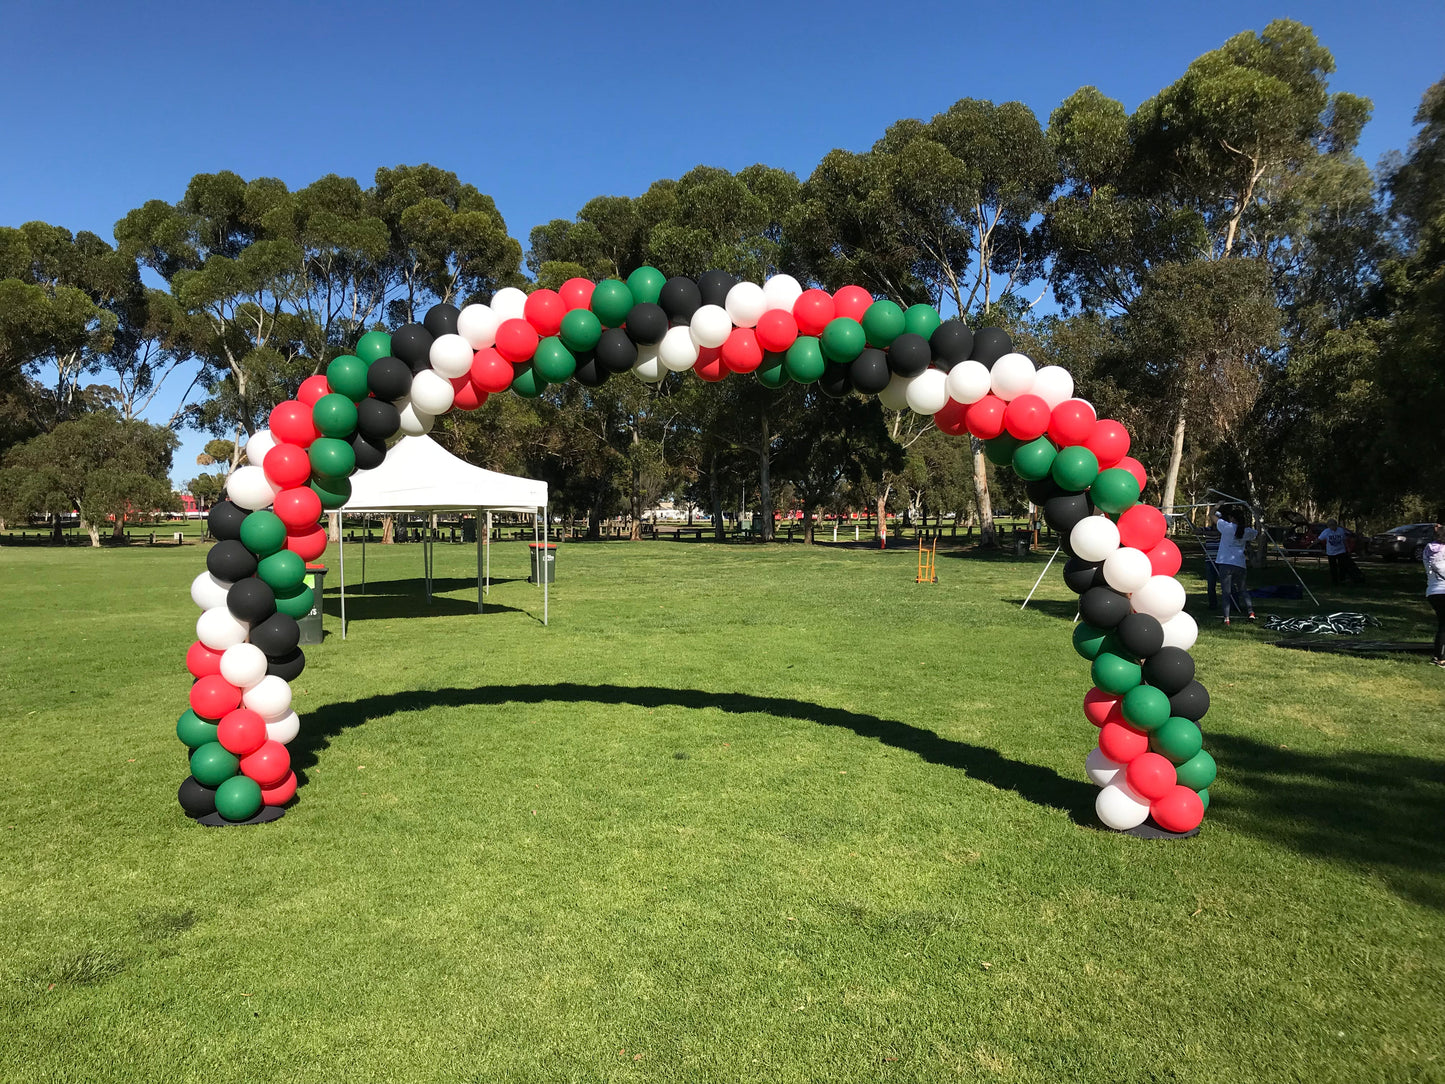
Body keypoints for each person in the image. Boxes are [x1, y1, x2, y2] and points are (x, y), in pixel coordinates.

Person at [1212, 506, 1257, 626]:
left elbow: (1212, 515)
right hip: (1240, 564)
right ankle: (1250, 612)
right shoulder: (1246, 531)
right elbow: (1255, 533)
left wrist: (1218, 505)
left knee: (1226, 592)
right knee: (1243, 590)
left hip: (1225, 563)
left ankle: (1226, 618)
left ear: (1232, 518)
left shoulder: (1227, 527)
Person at [1424, 524, 1445, 667]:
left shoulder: (1428, 549)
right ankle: (1441, 658)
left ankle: (1438, 656)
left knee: (1443, 624)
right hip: (1443, 590)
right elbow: (1440, 568)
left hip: (1432, 591)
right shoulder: (1441, 550)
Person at [1318, 519, 1349, 584]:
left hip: (1341, 550)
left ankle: (1342, 579)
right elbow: (1319, 539)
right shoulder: (1326, 531)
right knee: (1333, 567)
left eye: (1333, 525)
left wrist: (1347, 548)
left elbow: (1344, 539)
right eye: (1330, 525)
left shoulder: (1340, 530)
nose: (1332, 527)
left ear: (1336, 525)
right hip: (1331, 552)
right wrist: (1311, 545)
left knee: (1342, 565)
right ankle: (1335, 581)